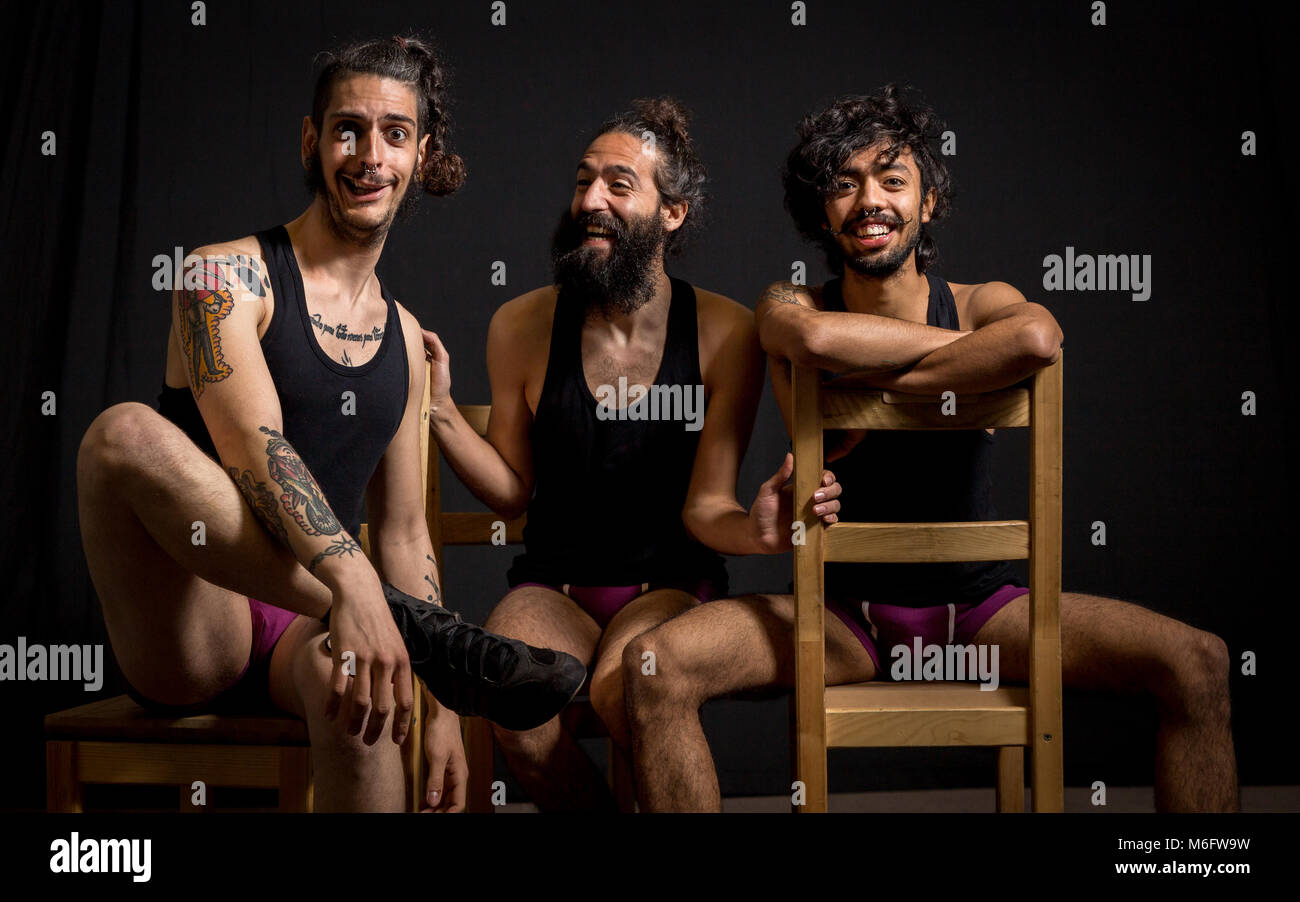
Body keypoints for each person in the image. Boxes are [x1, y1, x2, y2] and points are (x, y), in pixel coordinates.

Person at [623, 85, 1238, 813]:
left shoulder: (982, 300)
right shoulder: (793, 305)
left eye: (892, 180)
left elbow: (1038, 339)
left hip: (983, 613)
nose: (869, 201)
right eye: (844, 185)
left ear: (928, 202)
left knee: (1200, 662)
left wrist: (879, 375)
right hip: (837, 615)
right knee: (655, 666)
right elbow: (814, 341)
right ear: (823, 211)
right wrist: (969, 362)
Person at [75, 35, 583, 813]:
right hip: (194, 621)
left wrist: (443, 709)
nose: (368, 154)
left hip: (320, 627)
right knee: (121, 434)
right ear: (312, 141)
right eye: (347, 128)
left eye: (395, 133)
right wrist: (358, 586)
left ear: (420, 155)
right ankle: (418, 633)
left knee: (359, 682)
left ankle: (407, 636)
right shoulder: (221, 276)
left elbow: (408, 535)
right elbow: (256, 449)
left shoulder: (408, 343)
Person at [421, 97, 841, 810]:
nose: (591, 200)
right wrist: (438, 413)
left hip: (669, 585)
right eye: (584, 181)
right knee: (507, 696)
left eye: (619, 184)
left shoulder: (724, 332)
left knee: (633, 689)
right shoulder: (518, 324)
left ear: (671, 213)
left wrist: (760, 530)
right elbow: (512, 491)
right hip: (552, 587)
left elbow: (707, 507)